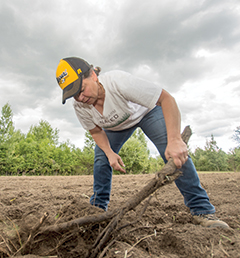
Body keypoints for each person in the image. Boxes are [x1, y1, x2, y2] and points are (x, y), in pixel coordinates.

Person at [55, 57, 229, 228]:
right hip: (114, 127)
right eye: (74, 95)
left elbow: (166, 99)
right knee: (101, 159)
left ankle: (202, 210)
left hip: (147, 114)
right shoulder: (79, 106)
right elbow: (95, 130)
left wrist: (175, 139)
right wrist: (109, 153)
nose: (80, 97)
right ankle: (97, 210)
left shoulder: (118, 82)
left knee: (173, 154)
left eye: (82, 89)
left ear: (93, 75)